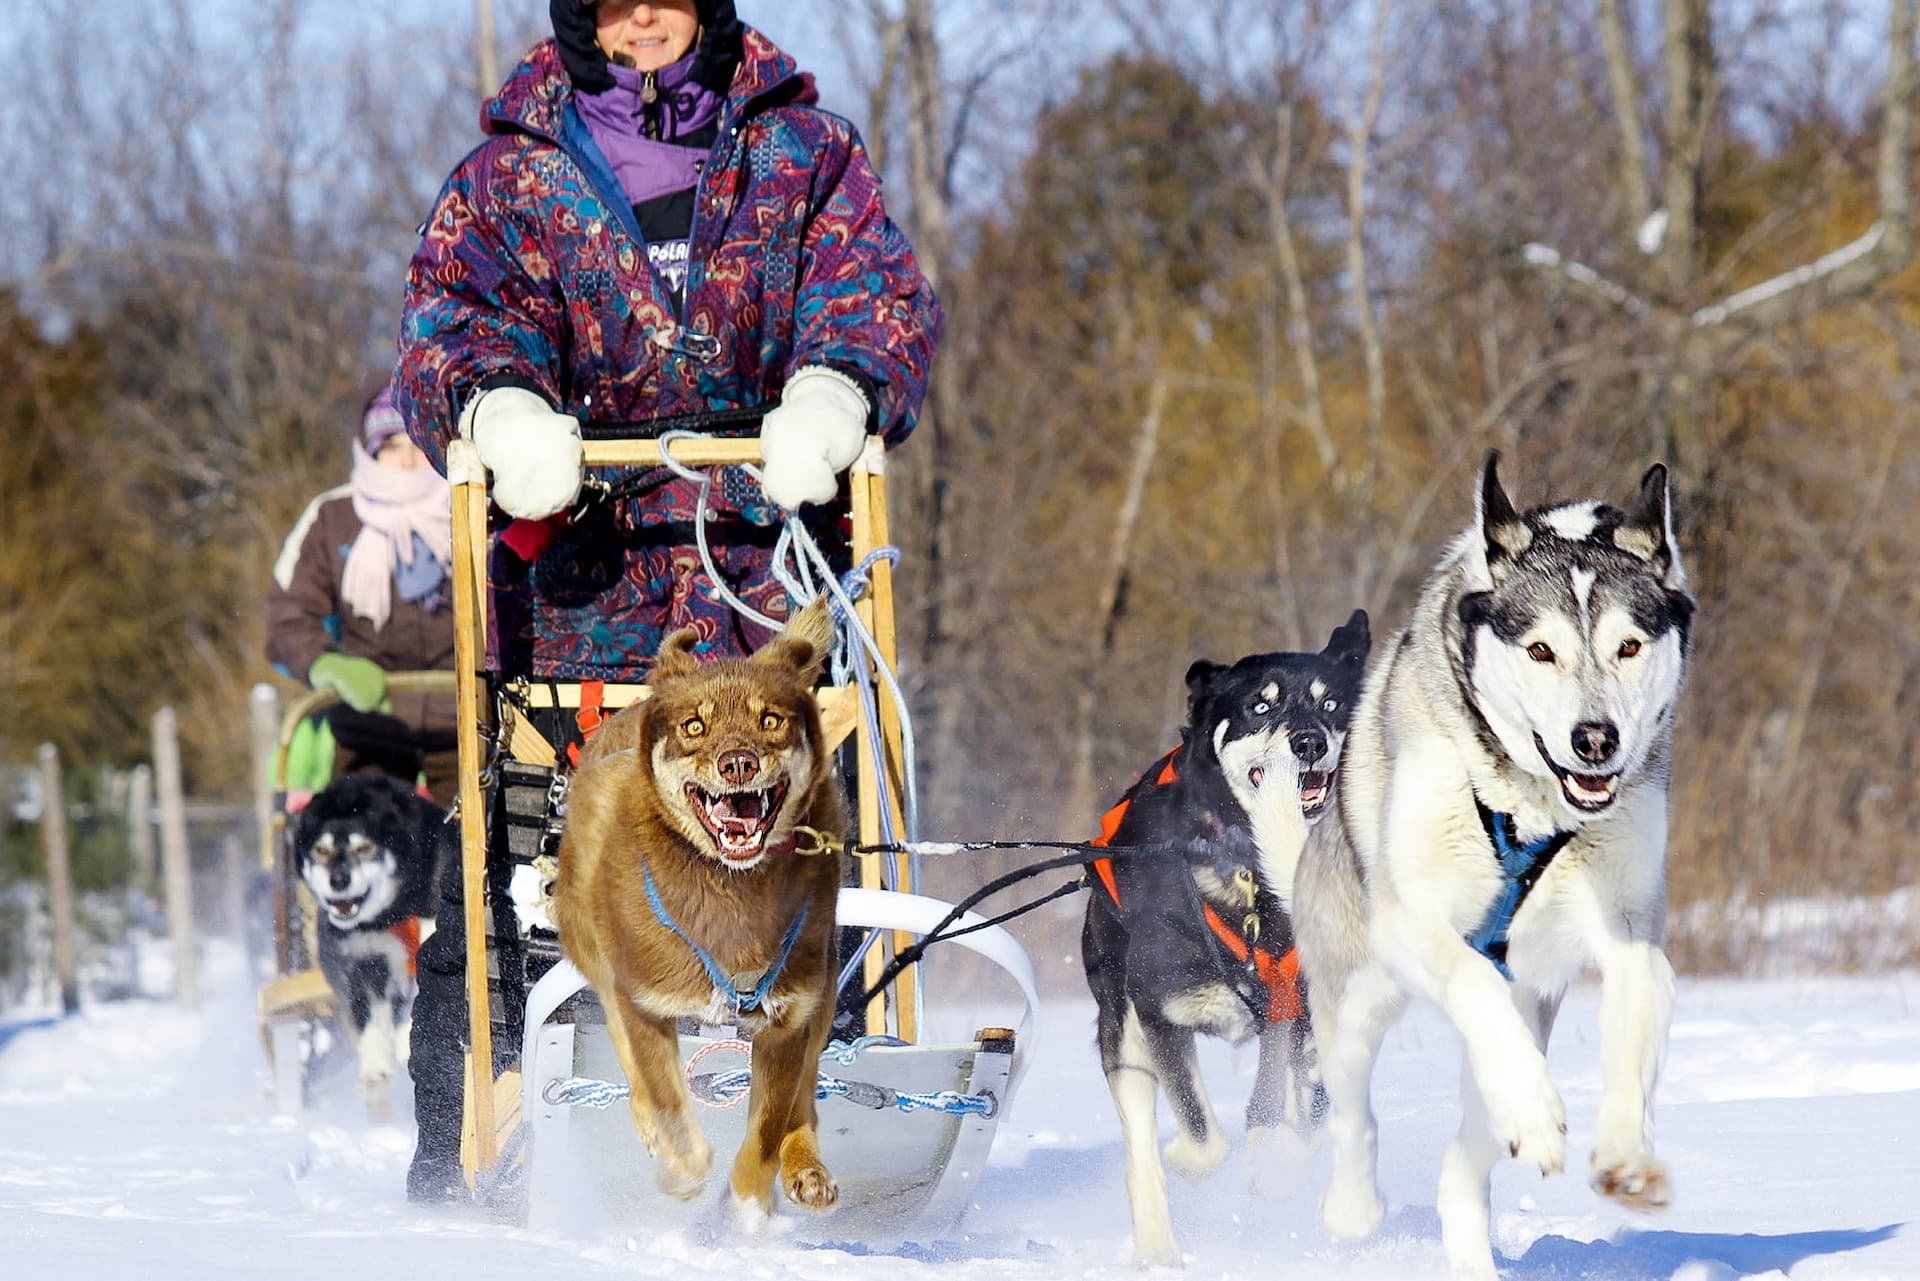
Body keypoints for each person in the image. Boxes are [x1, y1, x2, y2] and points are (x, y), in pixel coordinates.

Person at [393, 0, 940, 1202]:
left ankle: (816, 1131)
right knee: (507, 881)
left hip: (769, 587)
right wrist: (497, 409)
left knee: (802, 869)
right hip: (576, 603)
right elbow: (446, 326)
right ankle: (460, 1174)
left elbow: (875, 295)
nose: (645, 18)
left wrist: (837, 391)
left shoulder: (805, 153)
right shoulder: (508, 176)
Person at [266, 384, 458, 807]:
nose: (407, 460)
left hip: (464, 727)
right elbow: (287, 615)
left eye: (417, 444)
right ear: (369, 451)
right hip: (368, 726)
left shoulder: (469, 506)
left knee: (473, 857)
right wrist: (325, 664)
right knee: (366, 843)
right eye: (391, 446)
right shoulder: (333, 518)